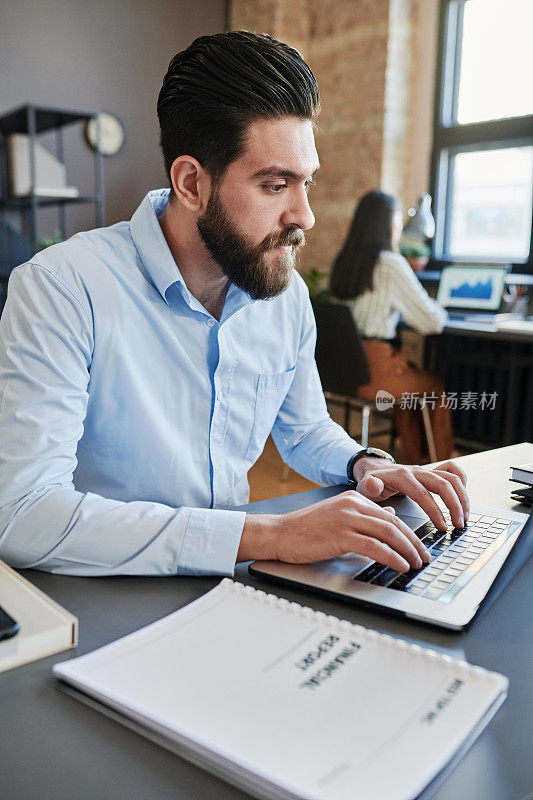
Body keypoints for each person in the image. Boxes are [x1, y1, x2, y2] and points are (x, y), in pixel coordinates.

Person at [0, 32, 468, 580]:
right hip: (101, 594)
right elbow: (23, 515)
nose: (305, 217)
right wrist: (270, 535)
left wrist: (363, 464)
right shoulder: (63, 288)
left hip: (233, 585)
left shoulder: (285, 296)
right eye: (276, 186)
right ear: (192, 182)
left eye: (307, 184)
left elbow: (304, 429)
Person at [329, 190, 455, 463]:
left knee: (407, 393)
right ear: (388, 224)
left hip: (343, 372)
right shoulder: (390, 264)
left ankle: (414, 460)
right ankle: (446, 463)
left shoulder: (344, 262)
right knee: (433, 384)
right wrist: (440, 310)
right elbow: (431, 322)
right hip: (375, 372)